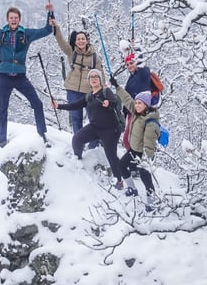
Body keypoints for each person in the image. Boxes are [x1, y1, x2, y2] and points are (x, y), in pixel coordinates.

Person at [0, 3, 54, 147]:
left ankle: (42, 135)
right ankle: (2, 140)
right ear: (7, 19)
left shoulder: (26, 34)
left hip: (20, 77)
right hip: (4, 77)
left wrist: (50, 13)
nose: (14, 20)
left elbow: (47, 30)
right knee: (3, 109)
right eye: (11, 18)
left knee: (37, 104)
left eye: (16, 18)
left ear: (19, 19)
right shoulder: (0, 34)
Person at [51, 68, 124, 187]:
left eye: (96, 77)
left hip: (110, 129)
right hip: (94, 127)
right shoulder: (88, 96)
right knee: (77, 139)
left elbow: (115, 102)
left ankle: (119, 180)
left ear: (100, 80)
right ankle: (77, 160)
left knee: (111, 155)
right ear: (89, 81)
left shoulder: (106, 92)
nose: (94, 79)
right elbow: (74, 105)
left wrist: (108, 103)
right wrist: (58, 106)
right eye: (91, 77)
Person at [110, 72, 160, 211]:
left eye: (140, 103)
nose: (137, 105)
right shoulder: (137, 112)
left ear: (147, 105)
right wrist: (117, 87)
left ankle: (152, 200)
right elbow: (127, 100)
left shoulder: (150, 121)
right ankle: (132, 189)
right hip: (133, 150)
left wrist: (145, 159)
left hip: (144, 154)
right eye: (136, 103)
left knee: (145, 177)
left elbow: (149, 143)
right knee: (121, 166)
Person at [48, 19, 103, 134]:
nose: (81, 41)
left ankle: (94, 146)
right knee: (76, 118)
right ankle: (78, 143)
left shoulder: (94, 57)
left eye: (83, 39)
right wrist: (56, 28)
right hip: (73, 90)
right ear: (75, 42)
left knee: (94, 118)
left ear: (87, 41)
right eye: (78, 39)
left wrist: (102, 92)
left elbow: (100, 74)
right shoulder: (71, 52)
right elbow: (61, 42)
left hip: (89, 91)